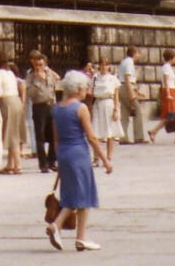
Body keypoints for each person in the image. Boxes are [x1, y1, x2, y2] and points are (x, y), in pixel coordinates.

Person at [45, 70, 113, 253]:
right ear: (78, 88)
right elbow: (91, 137)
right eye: (85, 87)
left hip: (64, 153)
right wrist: (105, 160)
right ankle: (58, 226)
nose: (87, 90)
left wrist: (59, 158)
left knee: (74, 193)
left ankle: (81, 237)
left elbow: (56, 138)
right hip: (78, 153)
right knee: (83, 193)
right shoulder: (81, 108)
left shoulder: (57, 109)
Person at [0, 50, 26, 174]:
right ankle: (10, 164)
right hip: (16, 100)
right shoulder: (10, 73)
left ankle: (18, 165)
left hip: (7, 102)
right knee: (15, 132)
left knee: (11, 135)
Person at [27, 51, 60, 174]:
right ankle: (43, 164)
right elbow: (30, 92)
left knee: (53, 135)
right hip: (39, 106)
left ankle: (52, 161)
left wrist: (47, 71)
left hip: (51, 105)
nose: (39, 67)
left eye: (41, 64)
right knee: (40, 136)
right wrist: (37, 79)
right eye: (37, 65)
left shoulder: (49, 73)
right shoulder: (31, 76)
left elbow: (58, 79)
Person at [147, 50, 175, 144]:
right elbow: (166, 80)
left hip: (172, 91)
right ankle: (154, 131)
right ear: (171, 58)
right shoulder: (166, 67)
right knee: (170, 115)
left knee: (174, 115)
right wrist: (168, 93)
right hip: (169, 91)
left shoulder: (168, 67)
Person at [92, 60, 121, 163]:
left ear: (109, 66)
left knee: (110, 132)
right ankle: (96, 158)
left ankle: (108, 157)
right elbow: (91, 91)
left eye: (106, 65)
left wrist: (116, 110)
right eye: (102, 65)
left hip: (109, 103)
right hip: (98, 104)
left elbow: (116, 96)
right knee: (96, 132)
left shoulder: (113, 79)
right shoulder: (95, 77)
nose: (104, 67)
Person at [118, 47, 145, 144]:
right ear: (134, 53)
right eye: (138, 53)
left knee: (124, 113)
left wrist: (137, 91)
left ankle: (123, 137)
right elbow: (128, 79)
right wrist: (132, 94)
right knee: (137, 111)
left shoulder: (123, 62)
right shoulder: (129, 62)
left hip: (121, 87)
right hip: (127, 87)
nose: (139, 56)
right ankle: (139, 136)